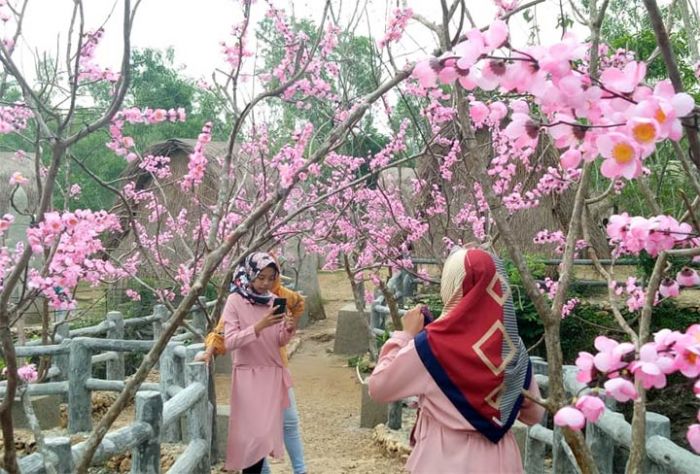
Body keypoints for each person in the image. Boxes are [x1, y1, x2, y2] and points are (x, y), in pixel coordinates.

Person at [368, 247, 545, 474]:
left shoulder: (431, 346)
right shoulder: (512, 346)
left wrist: (404, 336)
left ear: (452, 285)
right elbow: (534, 414)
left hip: (443, 459)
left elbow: (379, 387)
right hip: (502, 461)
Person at [198, 253, 307, 474]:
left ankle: (300, 470)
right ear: (249, 274)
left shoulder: (272, 299)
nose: (266, 283)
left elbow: (279, 340)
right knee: (255, 435)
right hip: (249, 374)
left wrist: (288, 327)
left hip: (274, 370)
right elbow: (230, 340)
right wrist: (260, 325)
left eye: (270, 278)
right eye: (261, 278)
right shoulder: (235, 300)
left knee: (289, 422)